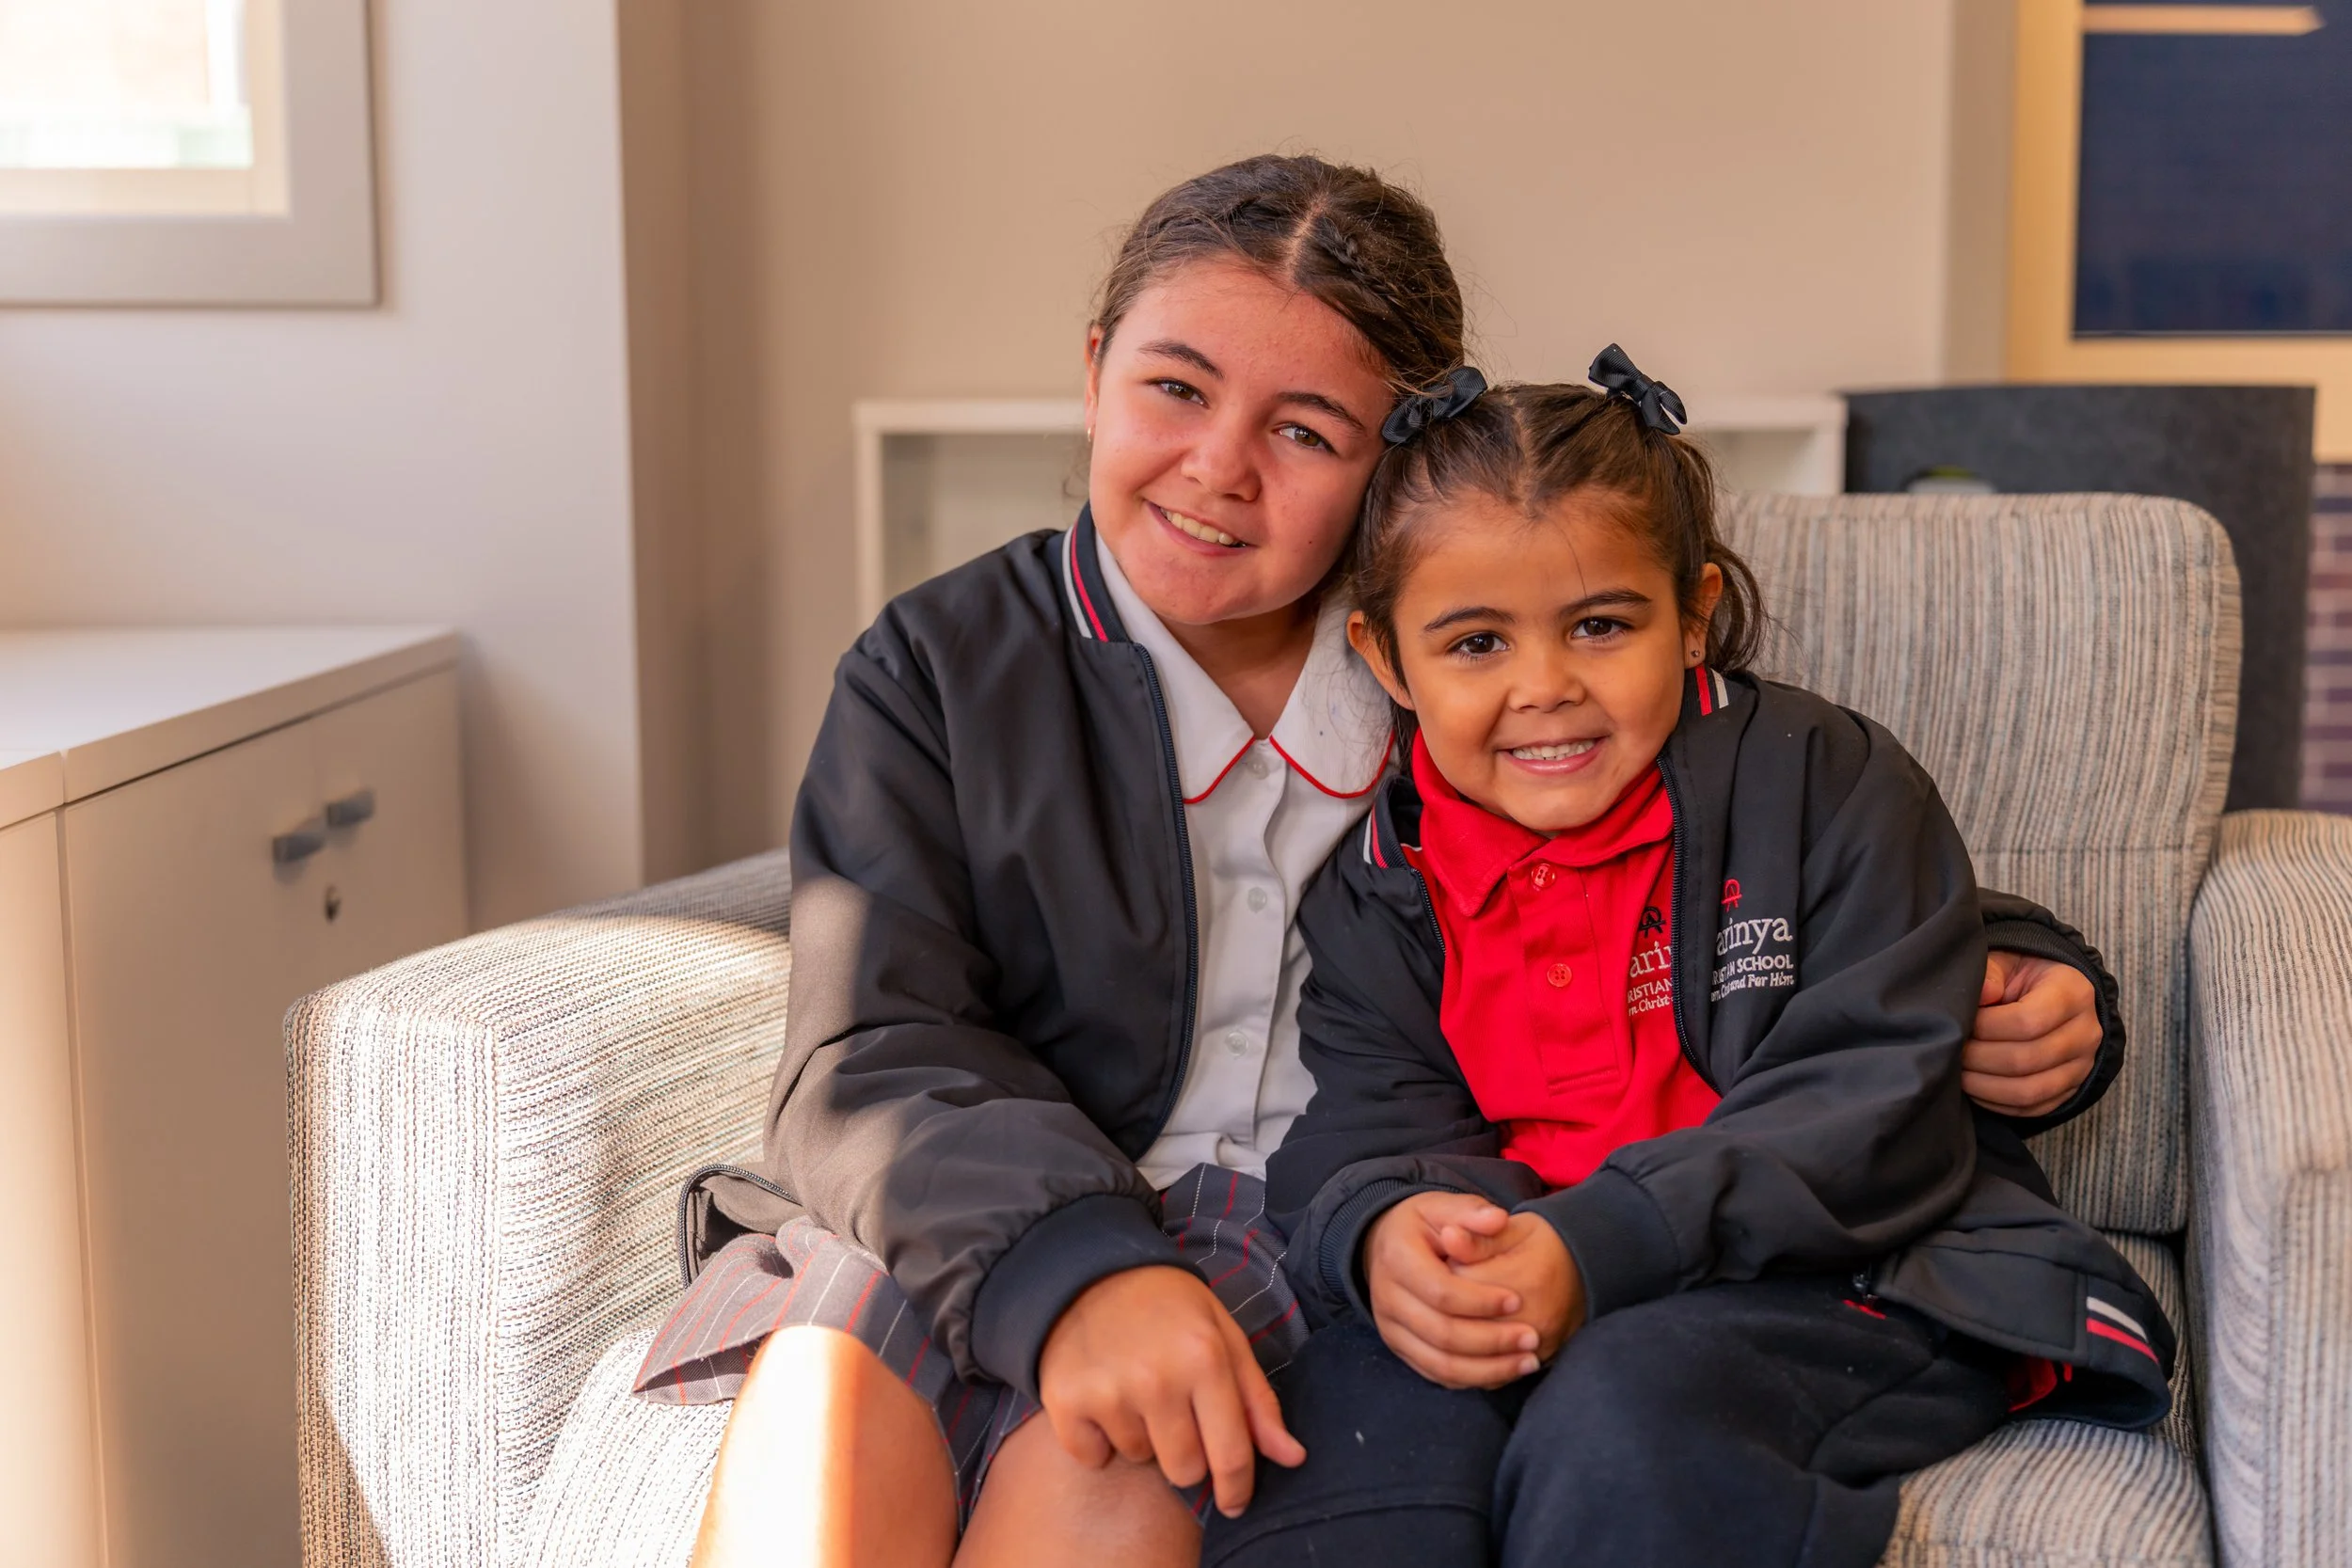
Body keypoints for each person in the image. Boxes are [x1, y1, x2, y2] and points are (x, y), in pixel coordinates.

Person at [630, 157, 2122, 1568]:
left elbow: (1728, 853)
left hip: (1298, 1215)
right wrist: (1078, 1265)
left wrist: (2020, 957)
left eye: (1304, 431)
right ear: (1094, 371)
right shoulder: (944, 666)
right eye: (1173, 388)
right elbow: (872, 1038)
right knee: (825, 1407)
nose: (1218, 467)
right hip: (996, 1192)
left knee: (1115, 1460)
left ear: (1390, 467)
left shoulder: (1465, 674)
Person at [1203, 359, 2173, 1568]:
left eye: (1601, 624)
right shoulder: (1381, 881)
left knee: (1625, 1418)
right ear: (1387, 659)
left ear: (1694, 611)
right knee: (1352, 1443)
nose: (1543, 686)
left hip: (1839, 1267)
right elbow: (1360, 1123)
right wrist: (1387, 1227)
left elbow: (1869, 1102)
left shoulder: (1825, 779)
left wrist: (1597, 1242)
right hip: (1535, 1256)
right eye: (1474, 642)